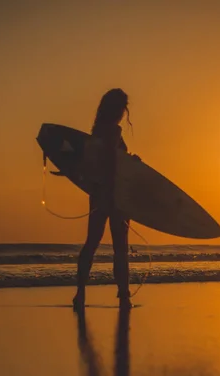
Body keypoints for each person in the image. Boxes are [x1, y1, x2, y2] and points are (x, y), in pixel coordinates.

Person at [73, 88, 134, 310]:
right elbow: (110, 163)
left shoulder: (96, 130)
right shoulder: (114, 131)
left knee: (91, 243)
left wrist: (129, 161)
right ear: (117, 108)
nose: (124, 111)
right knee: (120, 247)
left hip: (98, 193)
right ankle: (124, 296)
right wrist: (112, 193)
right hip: (115, 194)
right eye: (122, 106)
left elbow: (95, 162)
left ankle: (80, 293)